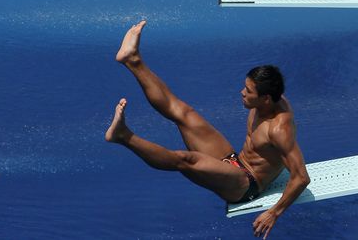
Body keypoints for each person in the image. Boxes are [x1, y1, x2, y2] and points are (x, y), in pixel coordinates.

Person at [105, 20, 310, 239]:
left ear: (266, 99)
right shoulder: (269, 97)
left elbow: (301, 178)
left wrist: (273, 213)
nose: (242, 92)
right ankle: (132, 60)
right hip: (235, 161)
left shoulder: (279, 129)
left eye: (248, 91)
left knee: (186, 160)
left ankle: (123, 136)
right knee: (184, 113)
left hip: (245, 185)